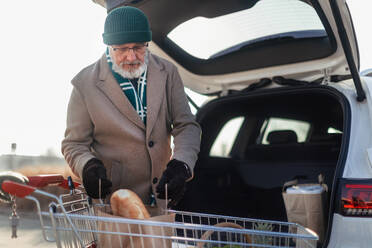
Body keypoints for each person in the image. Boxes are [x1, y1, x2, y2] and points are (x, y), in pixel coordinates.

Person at [62, 6, 201, 209]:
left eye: (138, 47)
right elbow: (74, 144)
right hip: (113, 203)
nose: (131, 57)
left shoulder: (168, 72)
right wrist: (87, 166)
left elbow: (186, 125)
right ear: (108, 45)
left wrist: (182, 164)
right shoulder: (84, 84)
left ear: (147, 43)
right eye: (122, 48)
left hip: (163, 197)